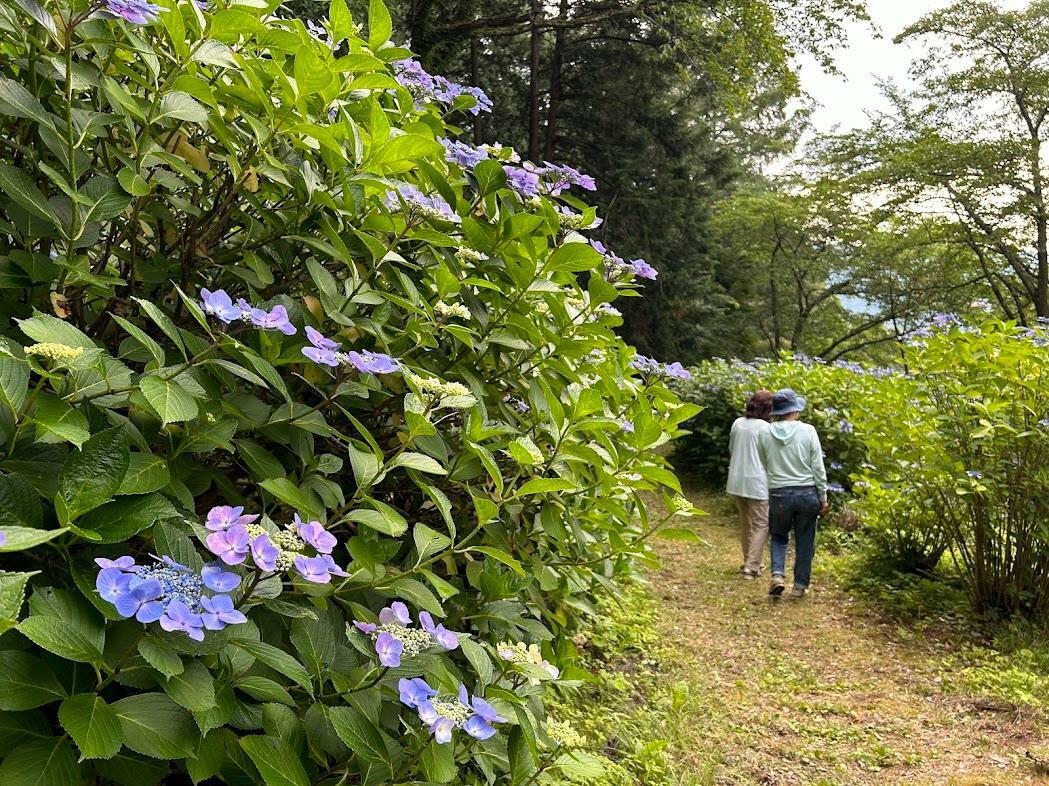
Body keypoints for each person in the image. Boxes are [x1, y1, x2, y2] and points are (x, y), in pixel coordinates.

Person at [758, 388, 828, 598]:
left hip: (779, 493)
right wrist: (823, 496)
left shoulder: (765, 432)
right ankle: (799, 586)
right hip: (807, 493)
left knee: (779, 536)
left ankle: (778, 574)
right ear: (795, 410)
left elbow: (765, 462)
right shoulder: (808, 431)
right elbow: (818, 467)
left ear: (776, 411)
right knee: (806, 539)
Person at [726, 390, 773, 579]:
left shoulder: (738, 423)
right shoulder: (765, 428)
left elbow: (731, 449)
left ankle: (750, 561)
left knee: (745, 522)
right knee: (762, 523)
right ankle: (752, 566)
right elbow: (770, 457)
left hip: (737, 480)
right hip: (757, 482)